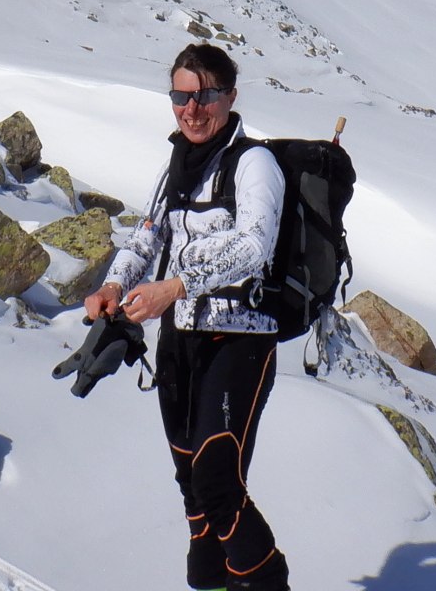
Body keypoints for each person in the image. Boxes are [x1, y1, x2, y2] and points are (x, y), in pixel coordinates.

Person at [84, 43, 289, 591]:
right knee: (191, 485)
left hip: (239, 339)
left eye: (204, 96)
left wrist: (174, 287)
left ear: (230, 97)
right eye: (180, 97)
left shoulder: (254, 164)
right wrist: (113, 285)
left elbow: (255, 246)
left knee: (217, 482)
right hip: (179, 339)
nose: (191, 110)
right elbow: (147, 236)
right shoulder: (175, 166)